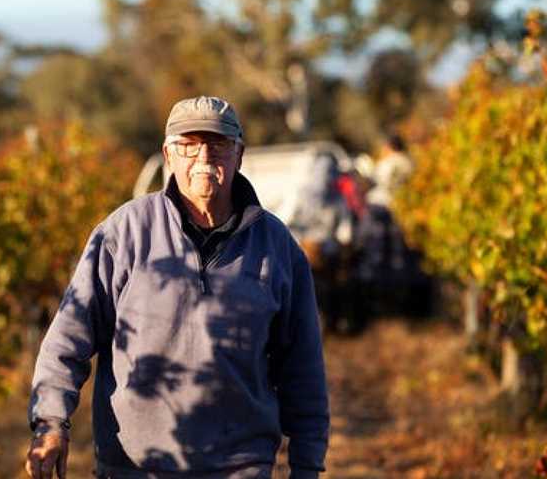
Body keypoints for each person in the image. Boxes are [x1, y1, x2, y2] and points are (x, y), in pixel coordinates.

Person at [26, 96, 329, 479]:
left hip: (239, 466)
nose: (203, 158)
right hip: (134, 467)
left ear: (239, 154)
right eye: (188, 146)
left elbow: (303, 368)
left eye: (218, 145)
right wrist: (50, 424)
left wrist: (307, 466)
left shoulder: (277, 247)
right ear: (168, 157)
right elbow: (68, 339)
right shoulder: (124, 233)